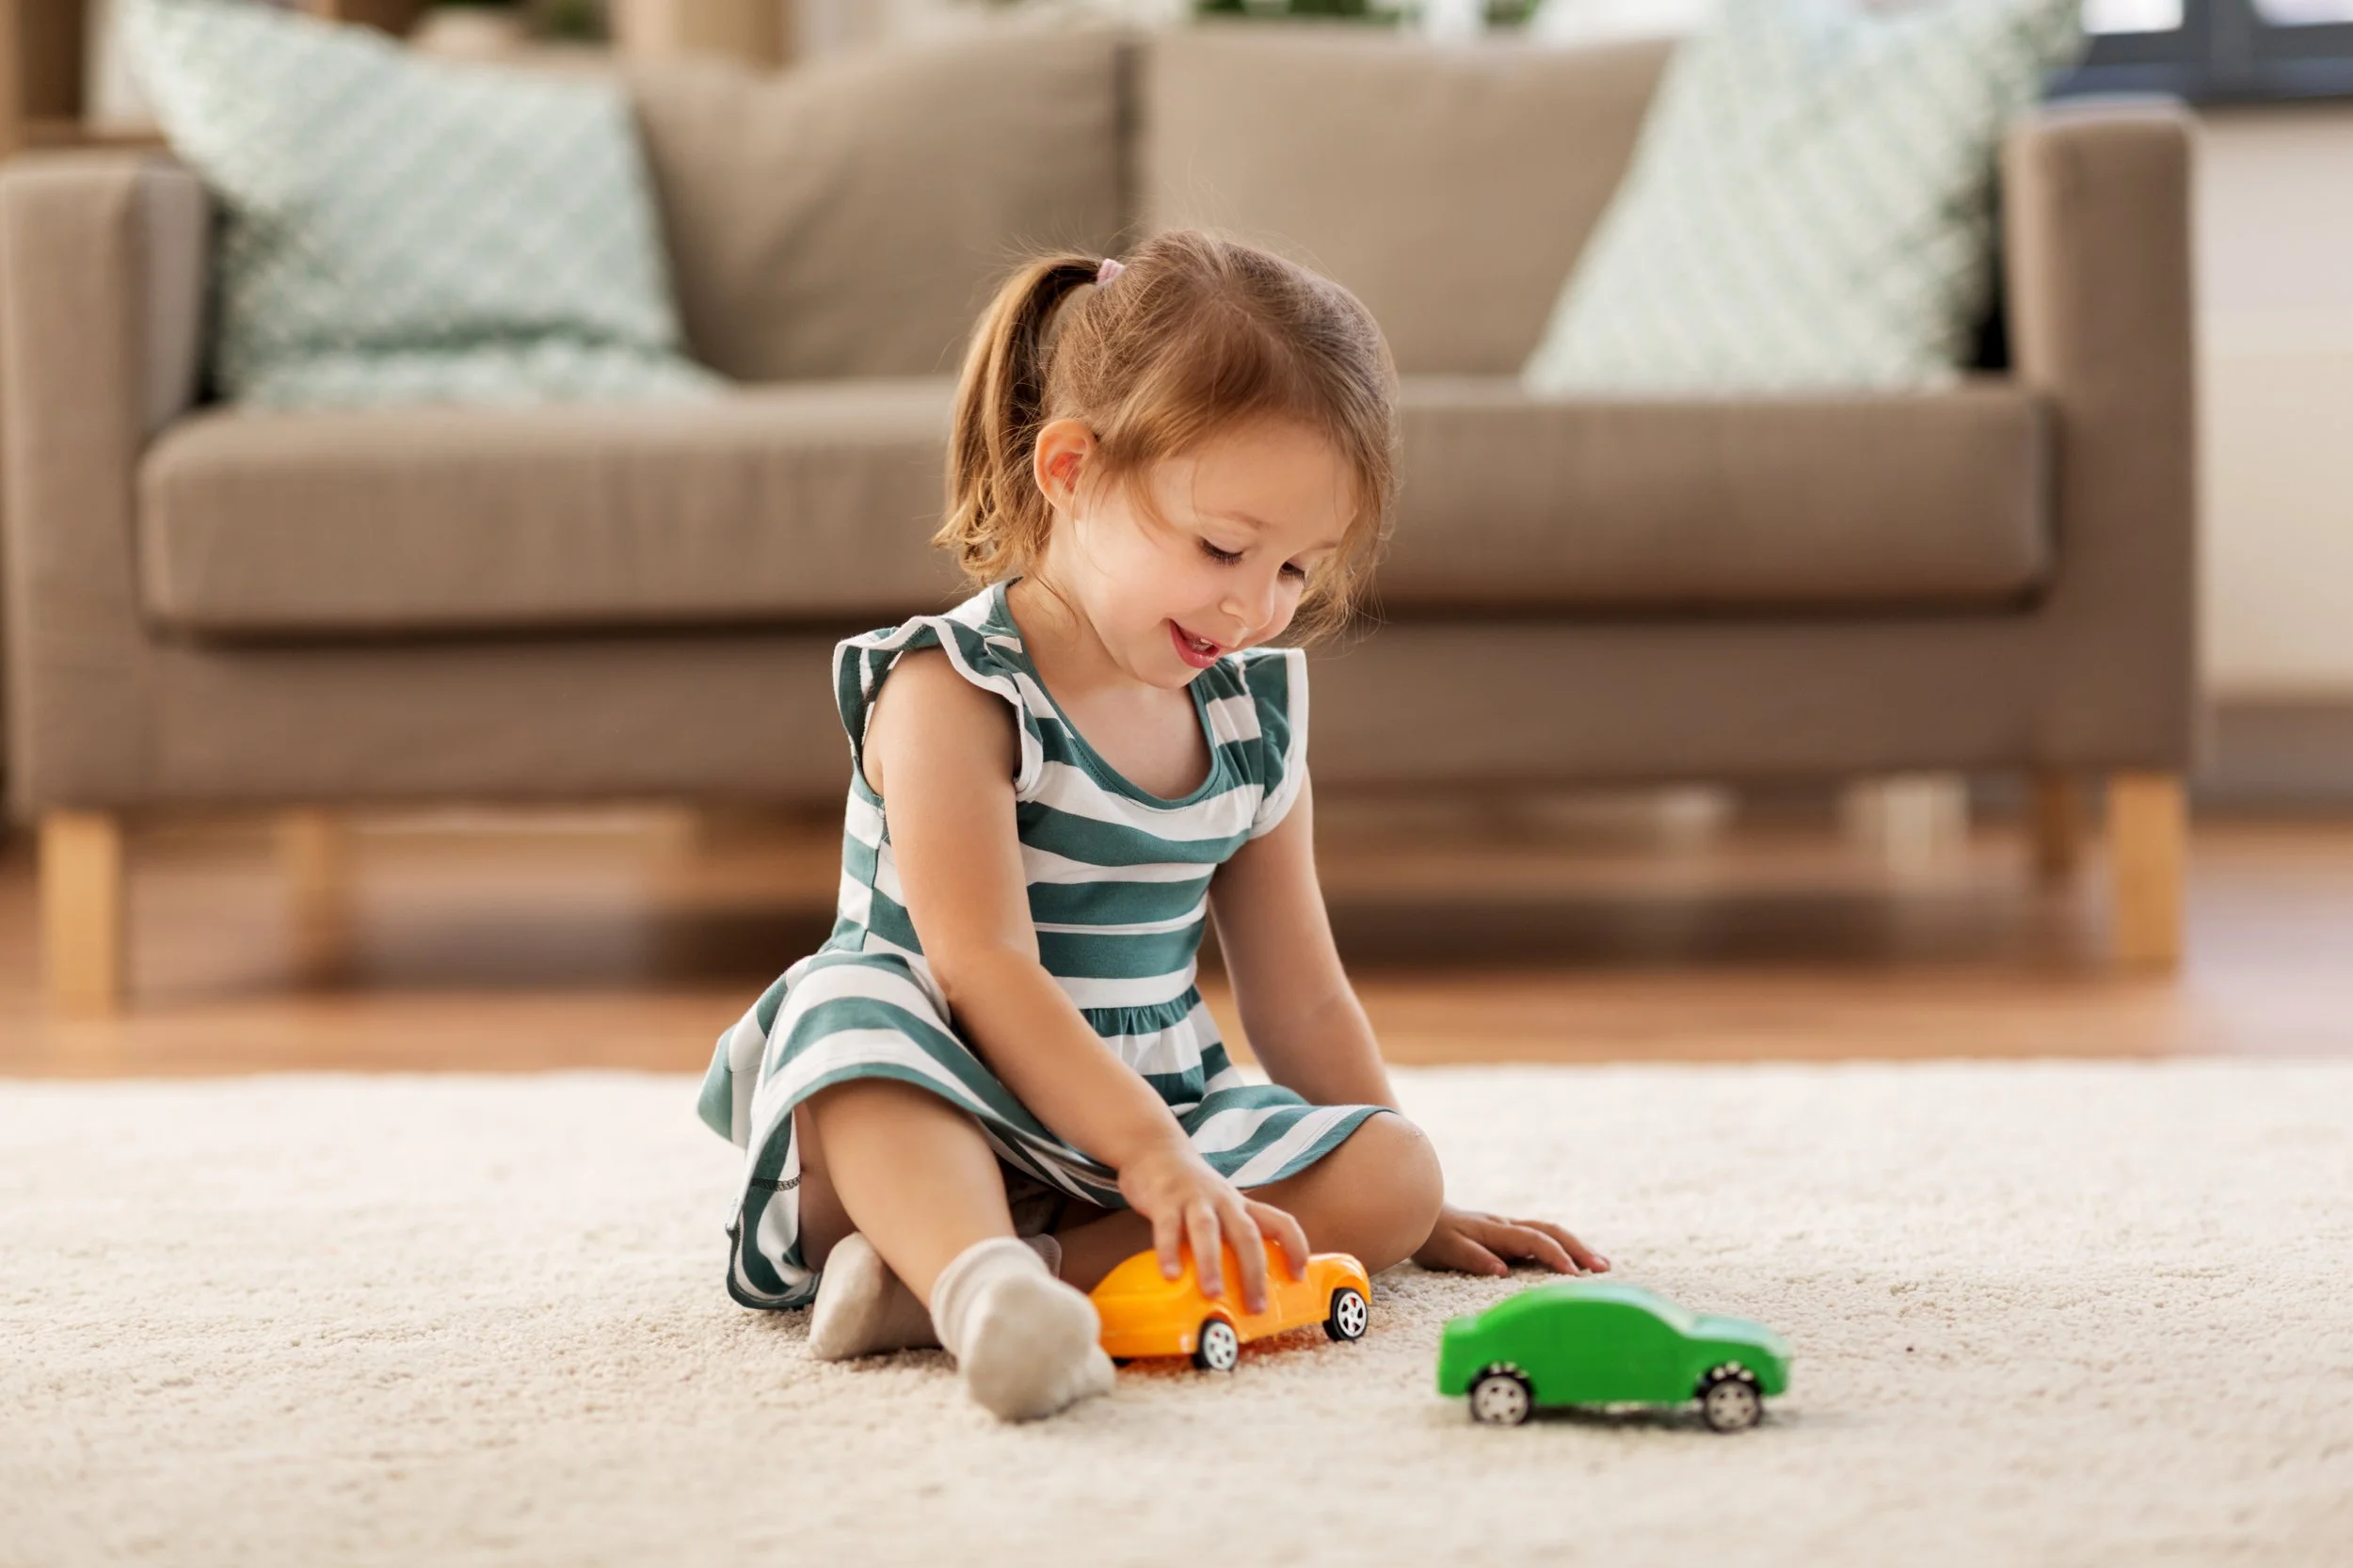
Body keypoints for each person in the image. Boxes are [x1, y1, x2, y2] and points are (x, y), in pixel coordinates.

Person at [696, 231, 1608, 1422]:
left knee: (1392, 1167)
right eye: (1224, 547)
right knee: (852, 1013)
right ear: (1069, 470)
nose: (1253, 603)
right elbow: (982, 969)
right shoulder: (953, 691)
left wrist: (1408, 1207)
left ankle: (975, 1291)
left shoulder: (1252, 710)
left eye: (1296, 569)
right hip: (940, 1094)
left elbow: (1303, 999)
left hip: (1150, 1108)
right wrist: (1150, 1157)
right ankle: (963, 1260)